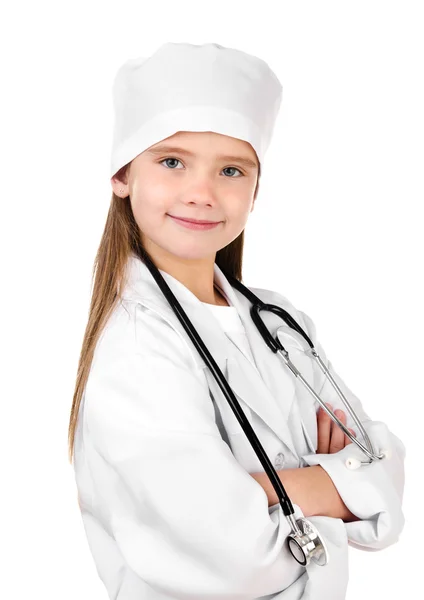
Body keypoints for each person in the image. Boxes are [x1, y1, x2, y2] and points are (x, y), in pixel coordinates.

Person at [69, 42, 406, 599]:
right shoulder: (133, 346)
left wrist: (263, 492)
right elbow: (231, 560)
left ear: (256, 189)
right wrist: (337, 486)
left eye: (231, 169)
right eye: (172, 162)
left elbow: (387, 467)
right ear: (122, 174)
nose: (201, 194)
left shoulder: (281, 323)